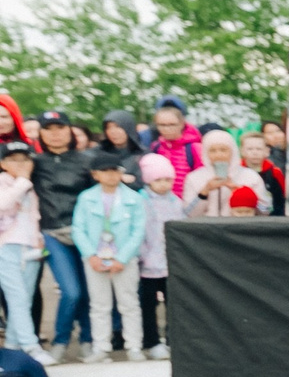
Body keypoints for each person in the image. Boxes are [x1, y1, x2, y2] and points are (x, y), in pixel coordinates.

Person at [71, 151, 146, 363]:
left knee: (129, 303)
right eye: (105, 171)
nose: (111, 175)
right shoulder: (86, 198)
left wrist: (122, 259)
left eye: (115, 170)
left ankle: (134, 346)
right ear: (95, 174)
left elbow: (138, 231)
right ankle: (101, 347)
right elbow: (78, 229)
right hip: (95, 259)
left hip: (124, 259)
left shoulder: (134, 198)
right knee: (99, 305)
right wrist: (90, 255)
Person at [33, 111, 91, 355]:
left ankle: (88, 340)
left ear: (70, 131)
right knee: (71, 291)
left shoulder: (87, 161)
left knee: (87, 290)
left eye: (60, 128)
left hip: (84, 233)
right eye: (49, 129)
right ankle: (61, 340)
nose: (55, 134)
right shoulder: (34, 163)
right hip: (52, 233)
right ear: (41, 134)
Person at [134, 154, 182, 358]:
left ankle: (174, 339)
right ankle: (151, 340)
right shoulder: (140, 200)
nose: (163, 184)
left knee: (174, 303)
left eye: (167, 180)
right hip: (147, 263)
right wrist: (141, 254)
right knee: (148, 304)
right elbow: (139, 230)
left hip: (171, 262)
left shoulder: (175, 201)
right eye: (158, 180)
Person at [0, 142, 44, 356]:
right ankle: (31, 346)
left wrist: (38, 238)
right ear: (3, 163)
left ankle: (12, 345)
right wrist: (21, 182)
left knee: (25, 299)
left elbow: (32, 216)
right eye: (14, 159)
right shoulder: (4, 181)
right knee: (16, 297)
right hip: (6, 247)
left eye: (25, 159)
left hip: (31, 247)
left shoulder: (29, 186)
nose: (21, 164)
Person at [182, 128, 267, 217]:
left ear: (232, 151)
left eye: (223, 150)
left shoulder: (250, 176)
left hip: (238, 228)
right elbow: (188, 213)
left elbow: (265, 211)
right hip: (206, 228)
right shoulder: (194, 177)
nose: (218, 155)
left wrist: (243, 193)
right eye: (212, 151)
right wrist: (205, 191)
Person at [149, 100, 205, 179]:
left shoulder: (195, 148)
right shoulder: (155, 147)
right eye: (162, 125)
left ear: (182, 124)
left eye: (172, 124)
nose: (167, 129)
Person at [237, 130, 288, 215]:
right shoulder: (236, 171)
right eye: (250, 149)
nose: (255, 152)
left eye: (259, 149)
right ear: (242, 151)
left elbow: (281, 199)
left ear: (267, 151)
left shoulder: (275, 173)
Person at [96, 112, 147, 186]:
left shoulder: (144, 154)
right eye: (108, 127)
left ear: (128, 128)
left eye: (118, 127)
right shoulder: (99, 153)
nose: (113, 131)